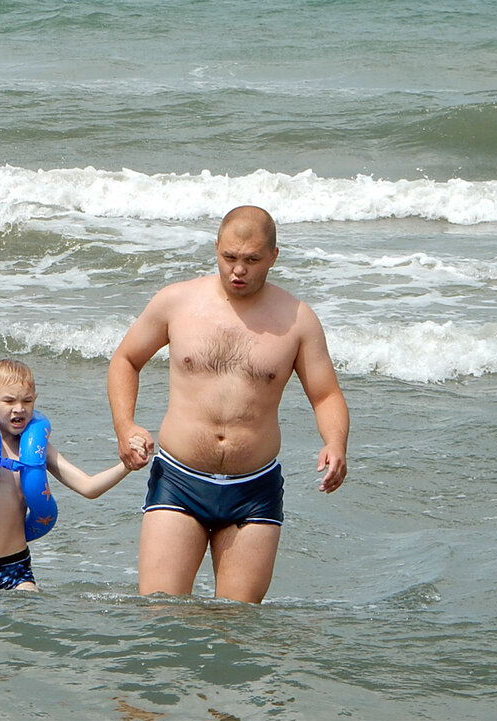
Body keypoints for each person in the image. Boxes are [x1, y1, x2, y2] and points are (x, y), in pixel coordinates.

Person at [107, 205, 349, 604]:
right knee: (161, 613)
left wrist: (336, 443)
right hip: (179, 481)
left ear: (273, 256)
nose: (239, 270)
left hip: (253, 491)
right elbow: (125, 360)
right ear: (216, 247)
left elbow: (325, 395)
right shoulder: (177, 302)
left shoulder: (298, 320)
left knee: (237, 629)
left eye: (252, 260)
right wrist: (125, 425)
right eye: (229, 258)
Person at [0, 359, 134, 592]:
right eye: (9, 400)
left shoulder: (38, 451)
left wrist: (127, 466)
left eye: (27, 401)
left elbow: (88, 487)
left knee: (27, 603)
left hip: (15, 565)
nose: (19, 408)